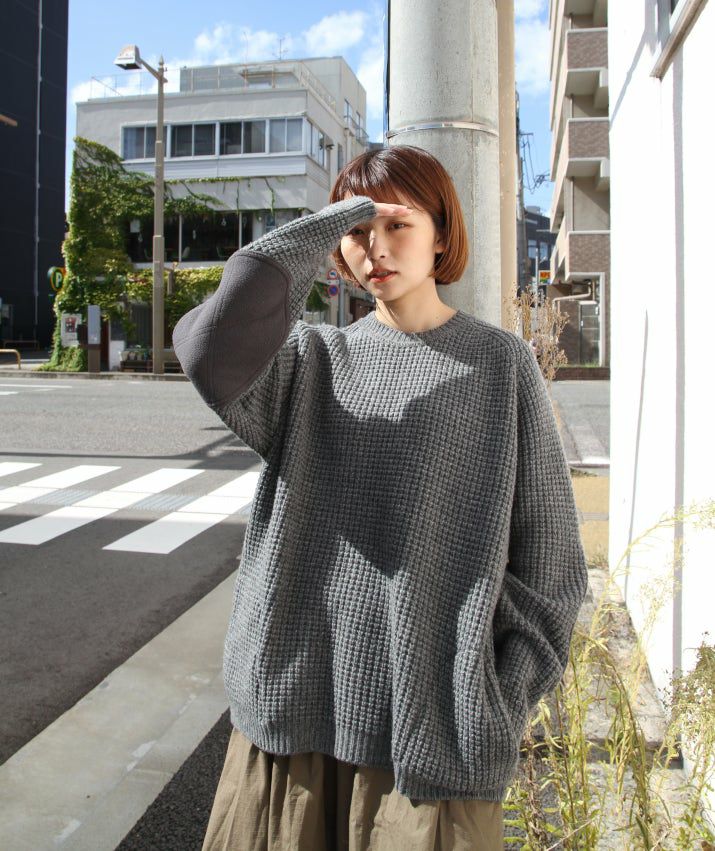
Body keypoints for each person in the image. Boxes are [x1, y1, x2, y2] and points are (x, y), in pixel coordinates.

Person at [172, 145, 589, 850]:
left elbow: (551, 566)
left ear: (440, 235)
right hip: (292, 722)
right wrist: (323, 226)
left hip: (434, 739)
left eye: (398, 224)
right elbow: (209, 347)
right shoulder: (309, 360)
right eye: (357, 232)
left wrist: (497, 703)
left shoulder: (499, 365)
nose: (377, 248)